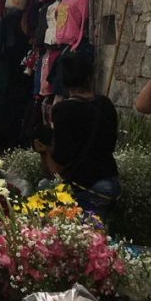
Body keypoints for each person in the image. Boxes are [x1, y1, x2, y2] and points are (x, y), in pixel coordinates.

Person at [49, 53, 120, 217]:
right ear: (90, 77)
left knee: (87, 238)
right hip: (109, 181)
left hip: (85, 185)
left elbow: (61, 157)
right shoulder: (105, 104)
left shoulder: (63, 110)